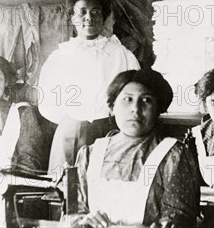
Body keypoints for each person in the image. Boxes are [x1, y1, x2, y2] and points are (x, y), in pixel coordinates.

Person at [68, 69, 199, 227]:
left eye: (146, 100)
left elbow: (180, 220)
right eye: (127, 99)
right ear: (112, 106)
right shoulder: (89, 155)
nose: (135, 108)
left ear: (158, 109)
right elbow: (72, 213)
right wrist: (82, 221)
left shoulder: (173, 156)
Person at [37, 0, 140, 172]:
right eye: (82, 12)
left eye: (95, 12)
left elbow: (135, 95)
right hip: (69, 132)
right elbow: (47, 101)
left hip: (110, 131)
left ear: (103, 16)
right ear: (72, 17)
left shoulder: (121, 55)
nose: (88, 17)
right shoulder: (60, 57)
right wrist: (72, 120)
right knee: (68, 190)